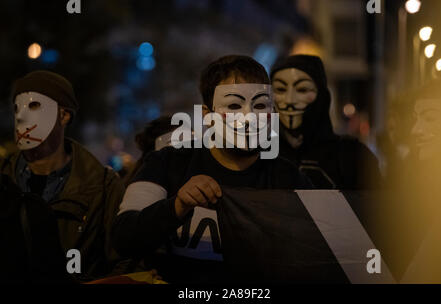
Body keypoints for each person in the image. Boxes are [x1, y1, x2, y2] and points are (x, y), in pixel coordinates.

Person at [112, 55, 312, 283]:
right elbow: (123, 237)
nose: (249, 118)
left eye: (259, 105)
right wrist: (177, 206)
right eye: (235, 105)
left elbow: (324, 247)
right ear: (208, 116)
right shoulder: (167, 163)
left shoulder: (288, 178)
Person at [0, 70, 125, 281]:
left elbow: (122, 261)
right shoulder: (3, 178)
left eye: (34, 105)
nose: (20, 115)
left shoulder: (103, 187)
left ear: (64, 115)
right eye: (16, 108)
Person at [270, 55, 381, 189]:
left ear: (322, 96)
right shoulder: (259, 156)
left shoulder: (353, 157)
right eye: (280, 89)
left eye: (302, 89)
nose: (289, 100)